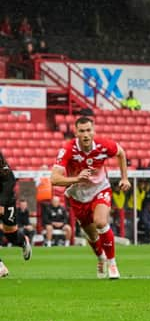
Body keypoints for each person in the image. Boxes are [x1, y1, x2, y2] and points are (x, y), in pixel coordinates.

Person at [50, 116, 131, 279]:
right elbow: (54, 179)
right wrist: (77, 179)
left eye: (88, 130)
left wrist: (124, 178)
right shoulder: (68, 149)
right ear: (76, 133)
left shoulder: (103, 145)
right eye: (82, 131)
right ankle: (101, 258)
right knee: (92, 235)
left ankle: (112, 263)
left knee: (101, 222)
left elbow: (121, 153)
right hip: (78, 196)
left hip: (100, 189)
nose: (86, 134)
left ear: (93, 131)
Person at [0, 152, 32, 277]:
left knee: (11, 235)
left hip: (6, 201)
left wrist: (1, 203)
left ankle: (23, 241)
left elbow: (10, 181)